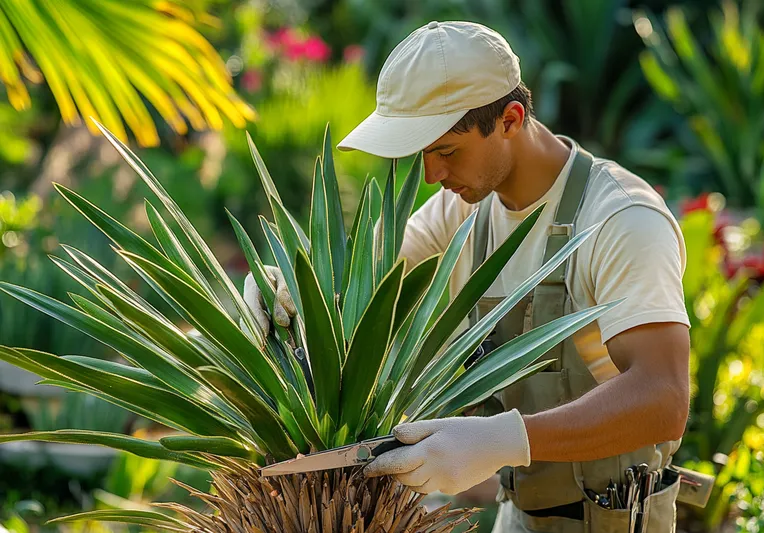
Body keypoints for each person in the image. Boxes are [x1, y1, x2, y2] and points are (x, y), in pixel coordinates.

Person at [244, 20, 691, 533]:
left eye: (447, 150)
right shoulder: (459, 216)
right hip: (518, 516)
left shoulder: (621, 221)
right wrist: (284, 290)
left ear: (509, 119)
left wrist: (503, 440)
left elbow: (663, 399)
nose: (431, 175)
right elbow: (356, 298)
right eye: (422, 153)